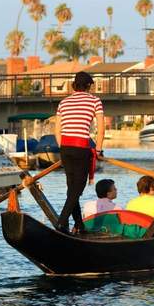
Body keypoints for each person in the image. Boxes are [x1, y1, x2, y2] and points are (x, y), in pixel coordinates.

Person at [52, 71, 105, 234]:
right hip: (82, 148)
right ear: (88, 86)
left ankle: (79, 224)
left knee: (71, 188)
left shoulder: (63, 102)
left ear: (74, 85)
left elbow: (57, 130)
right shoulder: (95, 101)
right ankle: (61, 222)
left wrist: (63, 147)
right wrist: (98, 149)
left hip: (66, 148)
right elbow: (101, 128)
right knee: (77, 189)